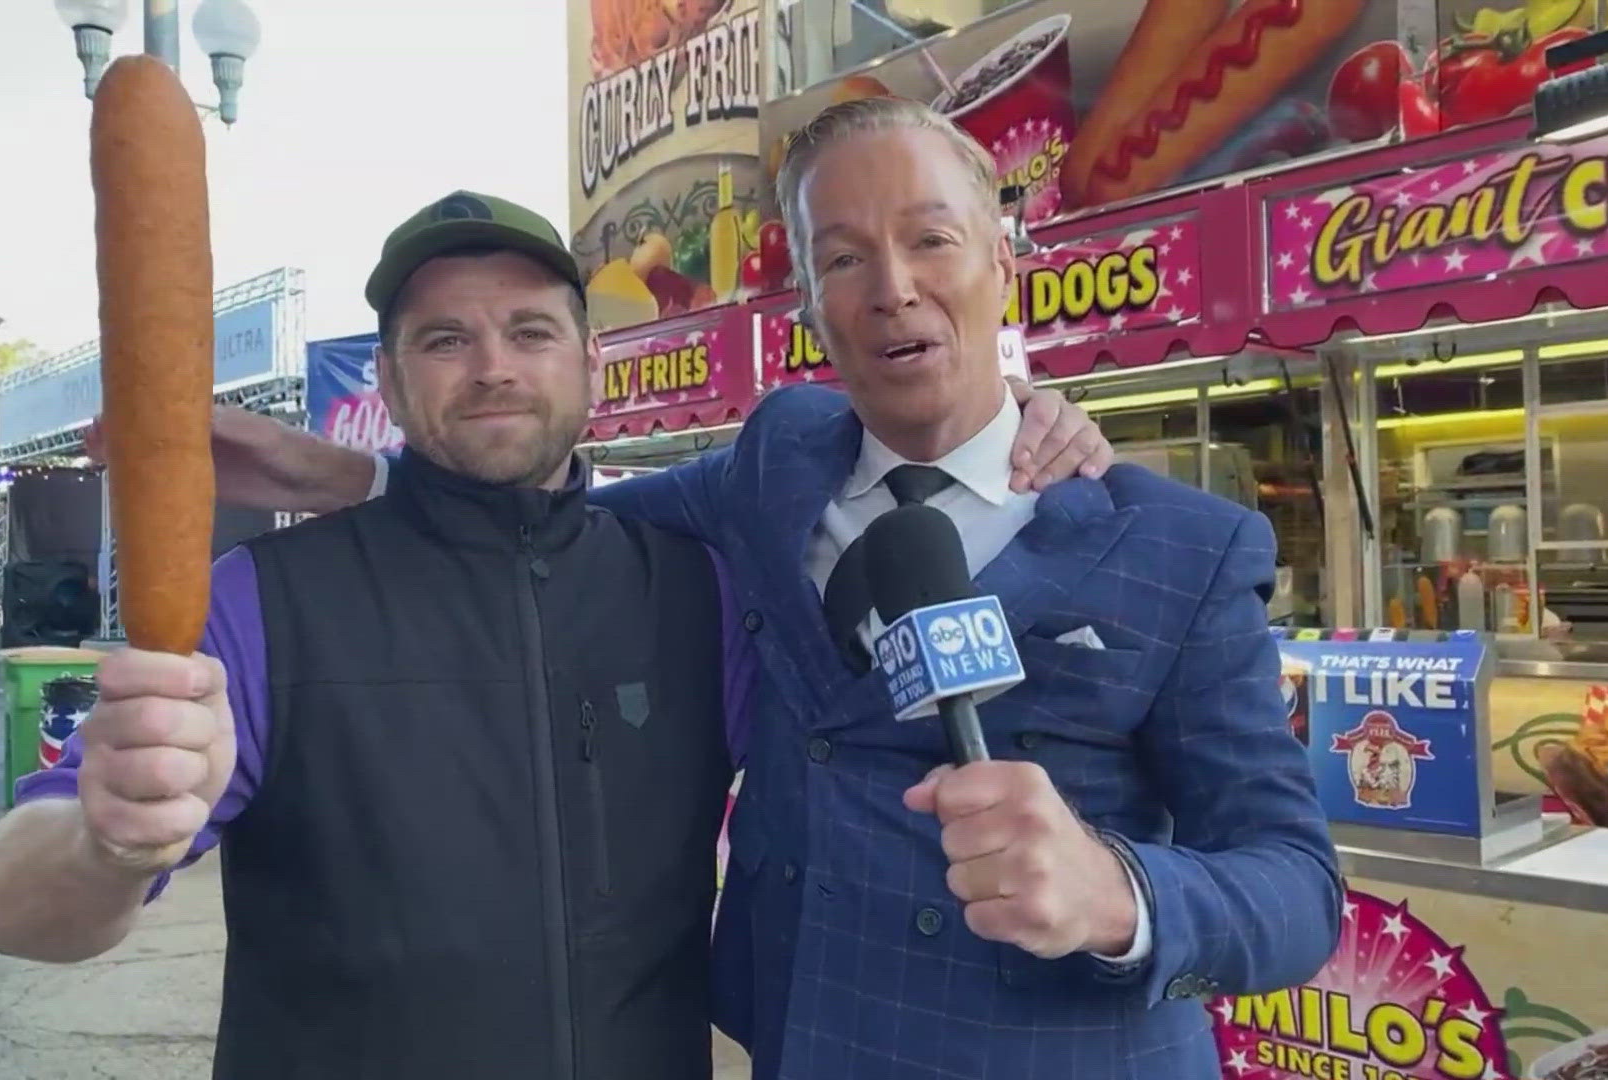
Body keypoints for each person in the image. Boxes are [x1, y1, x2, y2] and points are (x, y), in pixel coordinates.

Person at [215, 98, 1341, 1080]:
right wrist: (364, 475)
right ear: (806, 302)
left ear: (1006, 261)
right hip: (804, 1051)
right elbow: (554, 522)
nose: (893, 290)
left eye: (931, 241)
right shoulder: (774, 462)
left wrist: (1116, 894)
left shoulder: (1185, 550)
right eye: (844, 258)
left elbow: (1297, 889)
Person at [0, 190, 1111, 1079]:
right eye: (443, 341)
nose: (493, 368)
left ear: (592, 364)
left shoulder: (700, 589)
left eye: (530, 330)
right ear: (387, 376)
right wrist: (111, 846)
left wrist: (1022, 432)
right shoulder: (264, 601)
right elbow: (21, 908)